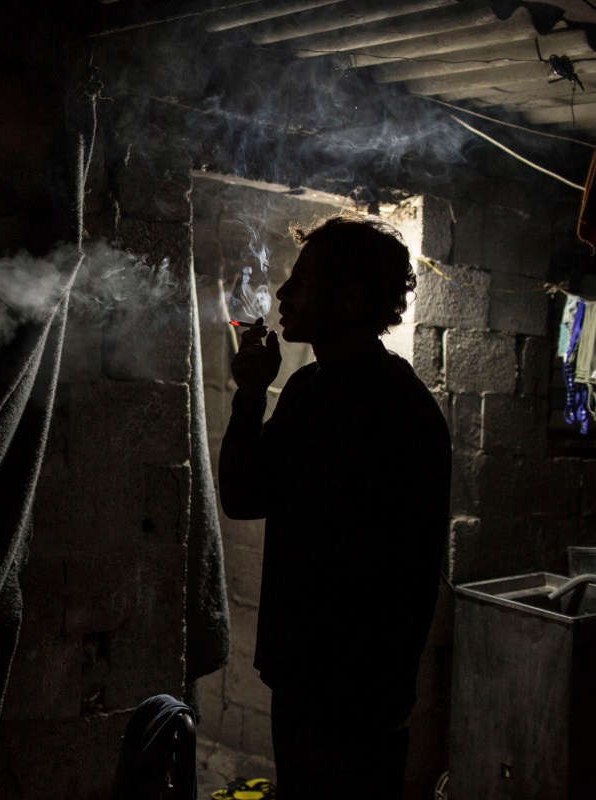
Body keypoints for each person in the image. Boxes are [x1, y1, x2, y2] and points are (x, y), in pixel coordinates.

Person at [218, 214, 451, 800]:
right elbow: (244, 498)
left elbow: (401, 572)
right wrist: (250, 394)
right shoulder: (307, 391)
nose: (283, 293)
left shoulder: (400, 410)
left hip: (358, 696)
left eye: (304, 280)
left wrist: (378, 688)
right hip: (302, 679)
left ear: (349, 297)